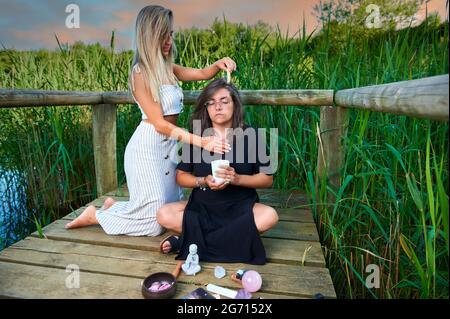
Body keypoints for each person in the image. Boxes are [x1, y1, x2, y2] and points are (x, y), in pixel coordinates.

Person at [65, 5, 236, 236]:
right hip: (147, 150)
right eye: (163, 35)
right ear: (149, 36)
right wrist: (202, 142)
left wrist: (218, 64)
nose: (168, 41)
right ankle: (96, 215)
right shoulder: (140, 72)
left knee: (164, 210)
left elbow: (201, 73)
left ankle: (114, 207)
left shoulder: (168, 67)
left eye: (171, 34)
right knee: (154, 225)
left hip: (168, 147)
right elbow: (160, 124)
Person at [156, 78, 279, 265]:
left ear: (234, 104)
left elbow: (267, 179)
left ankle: (187, 241)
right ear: (206, 108)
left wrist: (237, 179)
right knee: (164, 214)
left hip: (239, 207)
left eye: (224, 101)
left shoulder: (251, 134)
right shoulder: (197, 137)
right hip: (204, 207)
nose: (217, 107)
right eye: (211, 103)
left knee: (270, 216)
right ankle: (234, 238)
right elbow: (181, 176)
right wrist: (203, 180)